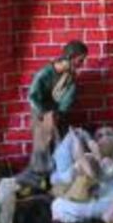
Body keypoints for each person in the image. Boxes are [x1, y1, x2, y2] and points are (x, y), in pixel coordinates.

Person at [25, 40, 89, 183]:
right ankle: (40, 177)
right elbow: (32, 96)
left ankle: (58, 177)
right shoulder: (45, 73)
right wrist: (46, 113)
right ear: (70, 58)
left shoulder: (70, 77)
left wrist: (59, 113)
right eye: (80, 60)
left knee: (61, 146)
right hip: (41, 113)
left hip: (58, 114)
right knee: (42, 147)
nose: (82, 64)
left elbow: (67, 100)